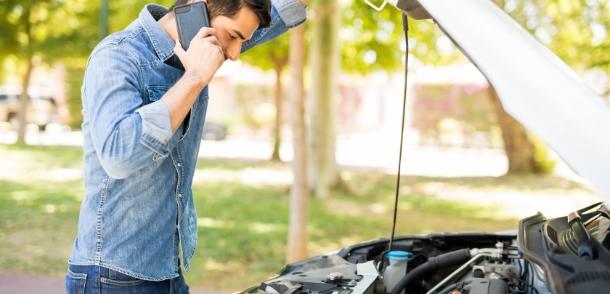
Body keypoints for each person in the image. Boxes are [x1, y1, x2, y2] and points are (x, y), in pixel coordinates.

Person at [65, 0, 307, 293]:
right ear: (198, 9)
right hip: (112, 276)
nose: (234, 55)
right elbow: (119, 156)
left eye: (240, 42)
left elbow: (273, 16)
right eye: (232, 37)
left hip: (166, 269)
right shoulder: (118, 55)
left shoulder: (206, 44)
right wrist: (194, 79)